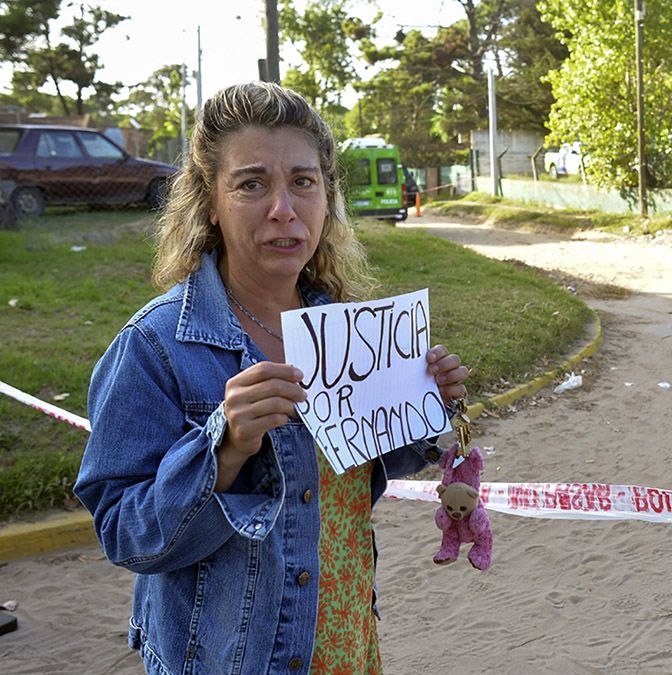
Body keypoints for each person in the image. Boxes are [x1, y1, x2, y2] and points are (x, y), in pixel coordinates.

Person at [74, 82, 471, 674]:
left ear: (327, 196)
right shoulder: (154, 347)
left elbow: (352, 471)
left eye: (303, 182)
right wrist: (225, 448)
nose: (283, 209)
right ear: (210, 201)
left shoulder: (347, 334)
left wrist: (425, 407)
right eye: (252, 183)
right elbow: (126, 536)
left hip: (348, 644)